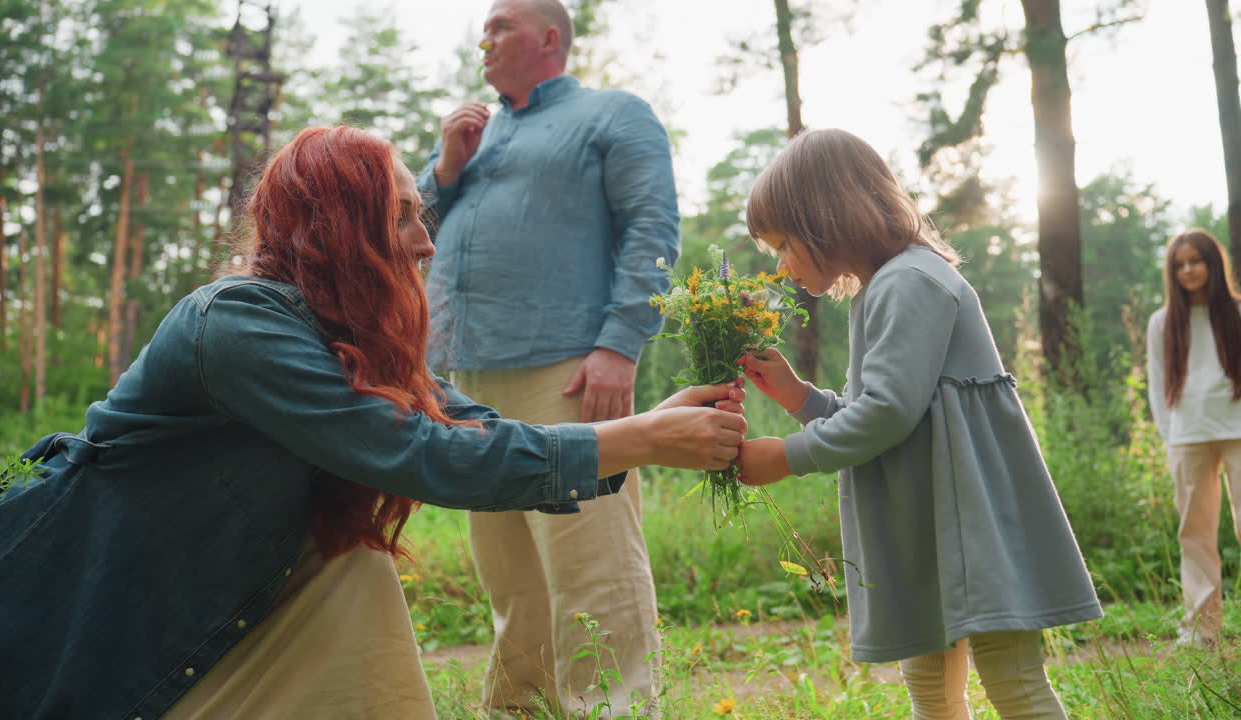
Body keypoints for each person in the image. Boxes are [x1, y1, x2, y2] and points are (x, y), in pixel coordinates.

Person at [0, 126, 748, 720]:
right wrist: (637, 440)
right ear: (339, 224)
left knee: (351, 566)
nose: (425, 242)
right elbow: (419, 451)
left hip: (222, 583)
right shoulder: (235, 325)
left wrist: (642, 425)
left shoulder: (337, 333)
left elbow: (451, 416)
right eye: (403, 216)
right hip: (105, 616)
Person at [734, 128, 1102, 720]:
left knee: (1012, 681)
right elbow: (880, 411)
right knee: (930, 689)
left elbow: (886, 415)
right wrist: (800, 397)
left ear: (825, 219)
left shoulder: (911, 280)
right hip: (927, 525)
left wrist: (788, 456)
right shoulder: (885, 288)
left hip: (971, 524)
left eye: (783, 244)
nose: (780, 266)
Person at [417, 0, 679, 714]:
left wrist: (618, 347)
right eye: (484, 31)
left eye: (499, 27)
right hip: (465, 380)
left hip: (567, 376)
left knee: (592, 568)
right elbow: (406, 231)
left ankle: (616, 709)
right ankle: (518, 712)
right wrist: (444, 169)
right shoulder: (473, 140)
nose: (485, 41)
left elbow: (653, 228)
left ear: (549, 37)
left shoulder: (614, 115)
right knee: (511, 578)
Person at [1146, 228, 1241, 649]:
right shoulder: (1162, 322)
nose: (1188, 270)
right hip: (1187, 435)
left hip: (1237, 428)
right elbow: (1155, 382)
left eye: (1195, 261)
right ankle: (1203, 630)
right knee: (1195, 532)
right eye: (1179, 264)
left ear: (1212, 264)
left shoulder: (1238, 312)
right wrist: (1170, 433)